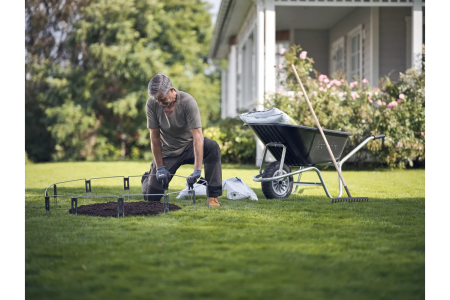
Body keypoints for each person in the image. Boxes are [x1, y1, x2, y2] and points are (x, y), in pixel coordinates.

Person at [143, 73, 222, 207]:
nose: (159, 103)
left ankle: (213, 197)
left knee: (212, 147)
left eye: (162, 99)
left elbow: (198, 136)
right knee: (152, 199)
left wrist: (197, 170)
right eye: (157, 99)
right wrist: (160, 168)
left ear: (172, 90)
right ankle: (147, 177)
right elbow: (154, 137)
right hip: (168, 151)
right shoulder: (152, 103)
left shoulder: (187, 102)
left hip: (189, 147)